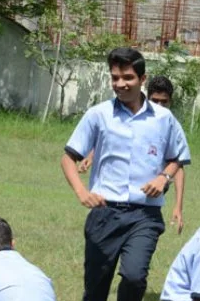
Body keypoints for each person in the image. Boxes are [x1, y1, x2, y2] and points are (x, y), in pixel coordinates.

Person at [61, 47, 190, 301]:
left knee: (134, 277)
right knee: (95, 292)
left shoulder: (163, 119)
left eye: (127, 77)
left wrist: (163, 177)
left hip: (144, 216)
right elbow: (68, 158)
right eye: (115, 77)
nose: (120, 84)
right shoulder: (98, 115)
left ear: (142, 78)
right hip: (105, 214)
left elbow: (177, 158)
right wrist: (82, 192)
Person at [78, 75, 187, 234]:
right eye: (155, 101)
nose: (160, 105)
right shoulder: (136, 117)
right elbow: (116, 140)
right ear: (148, 97)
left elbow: (179, 165)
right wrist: (91, 155)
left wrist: (178, 206)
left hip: (152, 190)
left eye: (164, 102)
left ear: (171, 101)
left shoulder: (170, 123)